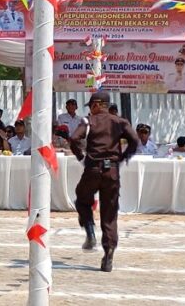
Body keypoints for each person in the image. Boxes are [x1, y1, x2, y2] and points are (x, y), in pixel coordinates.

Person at [70, 92, 139, 272]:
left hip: (92, 168)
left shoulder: (88, 121)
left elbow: (74, 139)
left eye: (91, 105)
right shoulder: (120, 121)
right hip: (112, 171)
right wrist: (123, 158)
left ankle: (90, 231)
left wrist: (81, 157)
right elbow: (135, 141)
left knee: (82, 198)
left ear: (96, 105)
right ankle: (108, 253)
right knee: (109, 213)